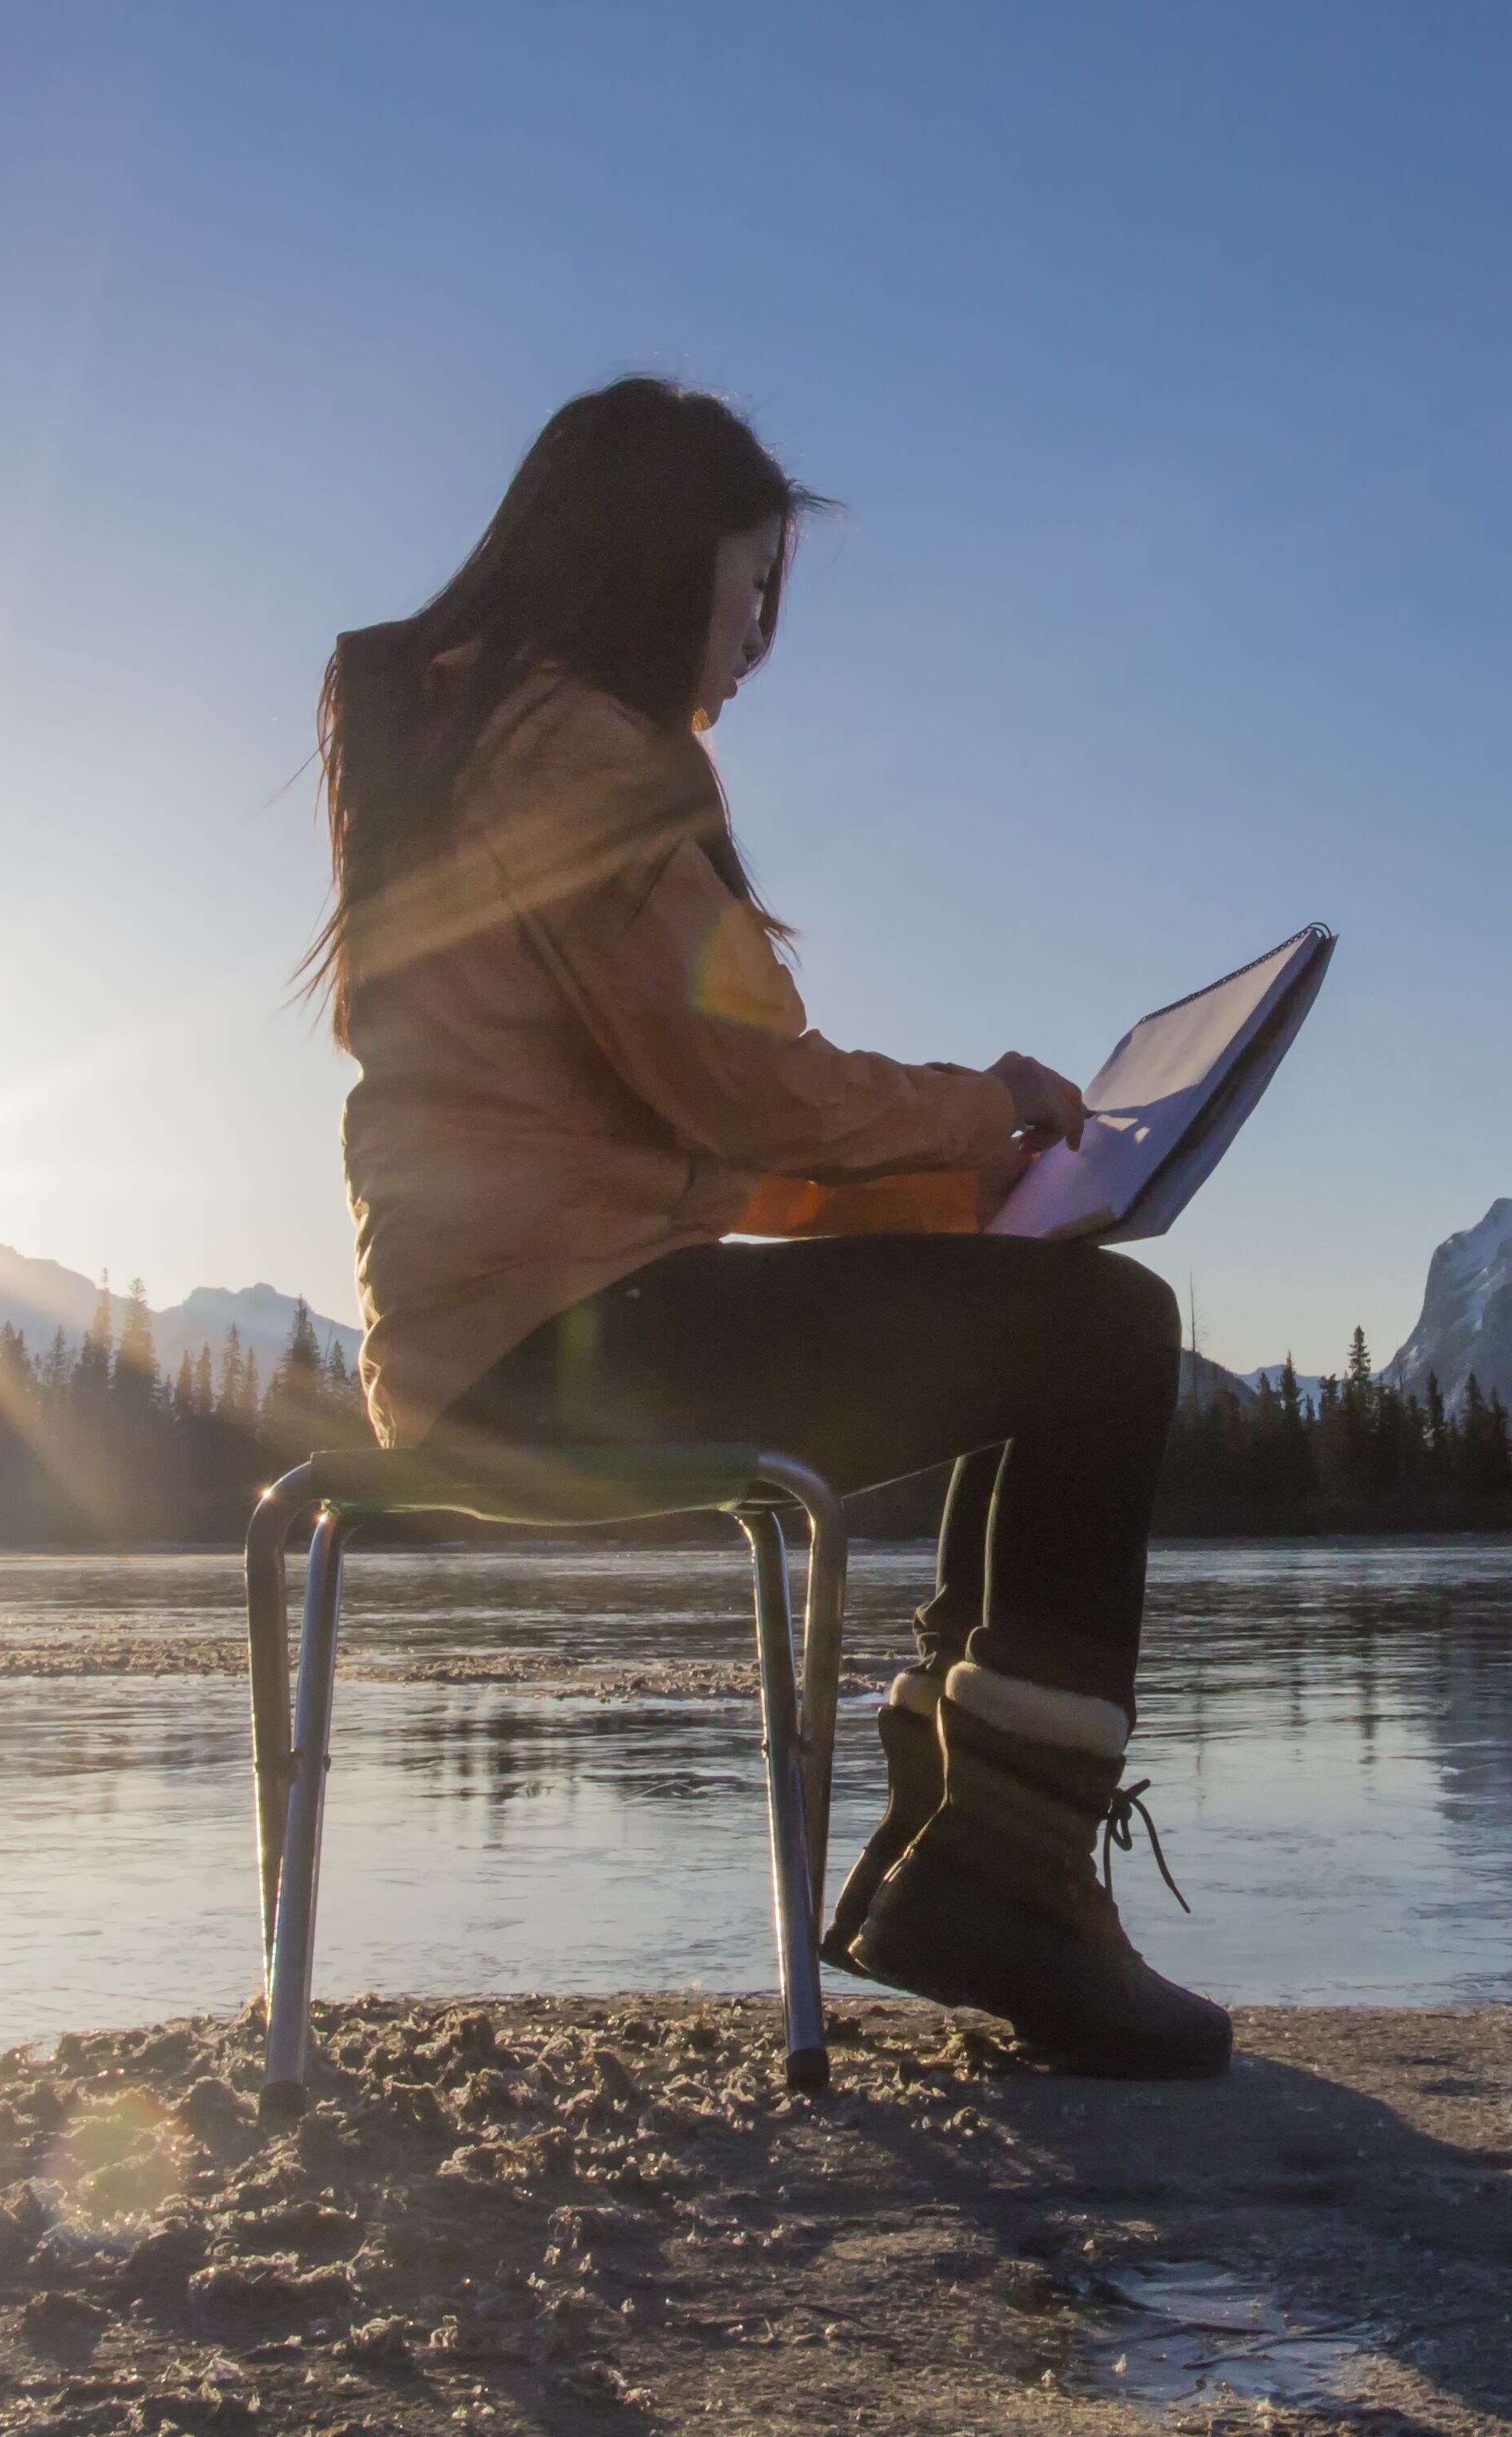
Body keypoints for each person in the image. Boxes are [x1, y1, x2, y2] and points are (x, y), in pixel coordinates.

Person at [309, 376, 1225, 2078]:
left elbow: (702, 1134)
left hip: (488, 1353)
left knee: (1057, 1320)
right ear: (661, 574)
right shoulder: (583, 757)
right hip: (567, 1361)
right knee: (1108, 1340)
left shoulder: (473, 740)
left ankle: (975, 1864)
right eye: (749, 595)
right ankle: (997, 1881)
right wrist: (992, 1109)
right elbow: (749, 1090)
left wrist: (975, 1204)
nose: (754, 645)